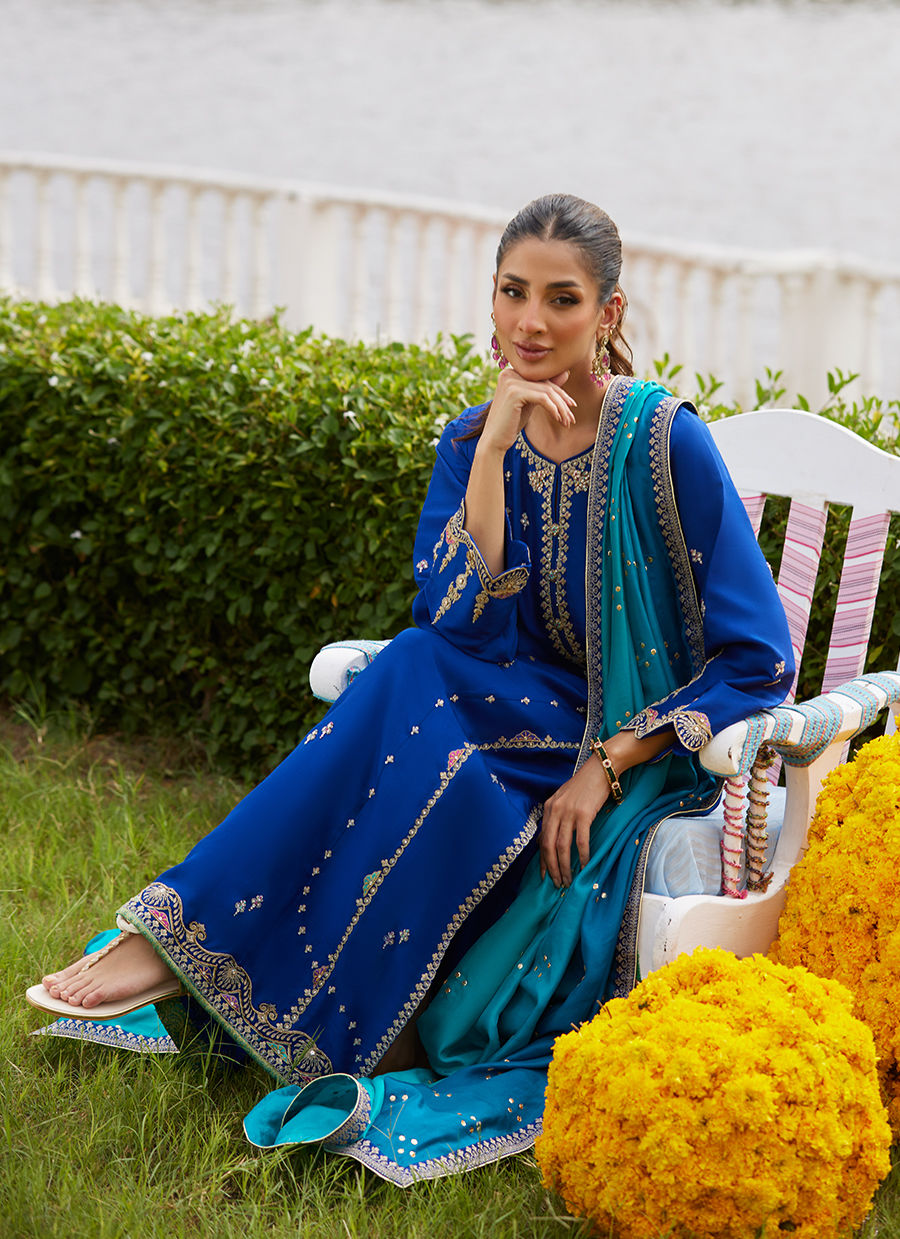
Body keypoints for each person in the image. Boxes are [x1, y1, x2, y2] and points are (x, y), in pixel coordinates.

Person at [27, 194, 793, 1184]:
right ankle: (215, 962)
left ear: (609, 311)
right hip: (502, 706)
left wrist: (607, 763)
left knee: (415, 690)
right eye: (513, 292)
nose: (530, 321)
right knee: (413, 664)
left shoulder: (660, 442)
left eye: (562, 299)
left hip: (625, 733)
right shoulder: (472, 438)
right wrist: (494, 451)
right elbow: (463, 625)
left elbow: (757, 657)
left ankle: (185, 944)